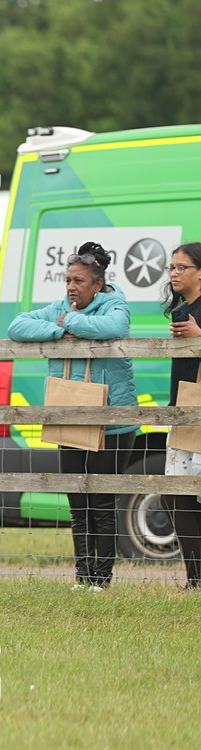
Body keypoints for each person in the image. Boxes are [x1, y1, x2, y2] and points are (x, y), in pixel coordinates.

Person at [9, 241, 138, 590]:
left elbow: (111, 328)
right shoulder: (60, 309)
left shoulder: (116, 304)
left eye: (78, 281)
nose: (70, 287)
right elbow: (17, 326)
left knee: (102, 499)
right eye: (68, 280)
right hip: (70, 415)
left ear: (98, 284)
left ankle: (103, 577)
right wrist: (57, 331)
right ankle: (82, 576)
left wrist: (71, 322)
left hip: (113, 421)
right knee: (76, 499)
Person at [163, 242, 201, 590]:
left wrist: (200, 336)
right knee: (174, 493)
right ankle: (195, 578)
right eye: (171, 268)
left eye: (180, 267)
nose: (173, 274)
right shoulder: (180, 310)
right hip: (183, 412)